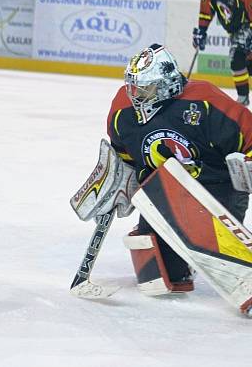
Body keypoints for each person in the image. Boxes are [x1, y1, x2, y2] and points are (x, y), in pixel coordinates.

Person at [107, 43, 251, 293]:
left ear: (166, 84)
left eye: (144, 87)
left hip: (217, 188)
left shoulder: (205, 102)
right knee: (163, 279)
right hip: (163, 195)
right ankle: (172, 246)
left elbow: (249, 137)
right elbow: (122, 153)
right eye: (132, 86)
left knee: (219, 256)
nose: (134, 94)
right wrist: (119, 182)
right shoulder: (123, 110)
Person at [193, 0, 252, 105]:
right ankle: (243, 96)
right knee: (246, 64)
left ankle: (243, 98)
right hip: (233, 32)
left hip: (246, 27)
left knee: (236, 57)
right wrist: (202, 30)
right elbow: (206, 10)